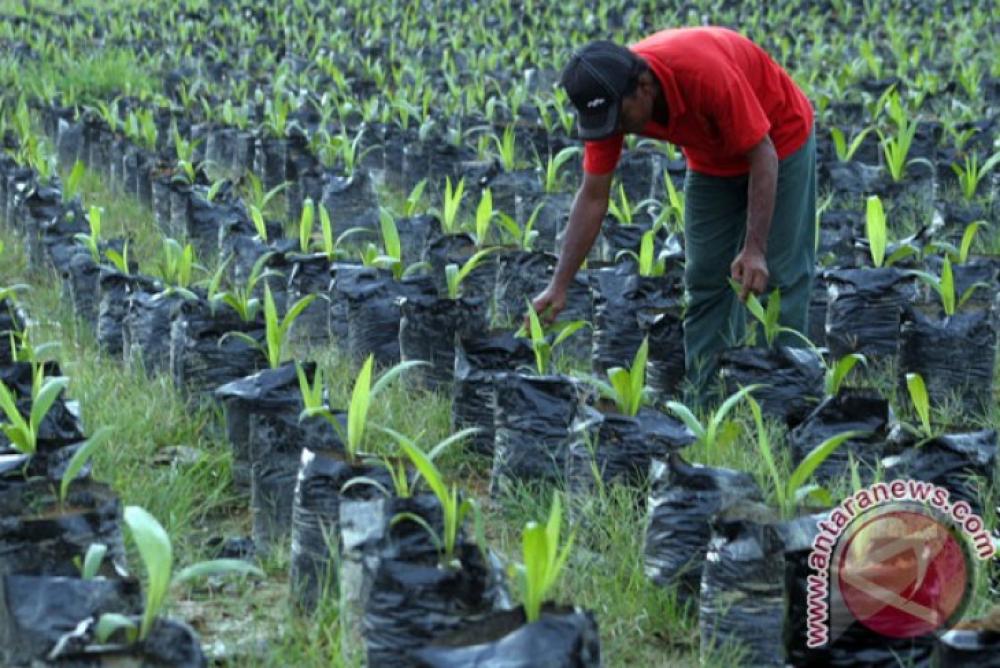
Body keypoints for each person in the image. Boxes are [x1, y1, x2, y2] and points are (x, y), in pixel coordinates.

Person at [529, 26, 816, 404]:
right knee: (706, 276)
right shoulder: (611, 99)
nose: (615, 130)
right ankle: (707, 401)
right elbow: (594, 196)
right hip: (711, 158)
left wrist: (755, 248)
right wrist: (560, 284)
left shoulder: (703, 73)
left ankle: (783, 403)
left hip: (778, 141)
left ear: (644, 87)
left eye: (620, 118)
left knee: (779, 276)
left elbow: (762, 154)